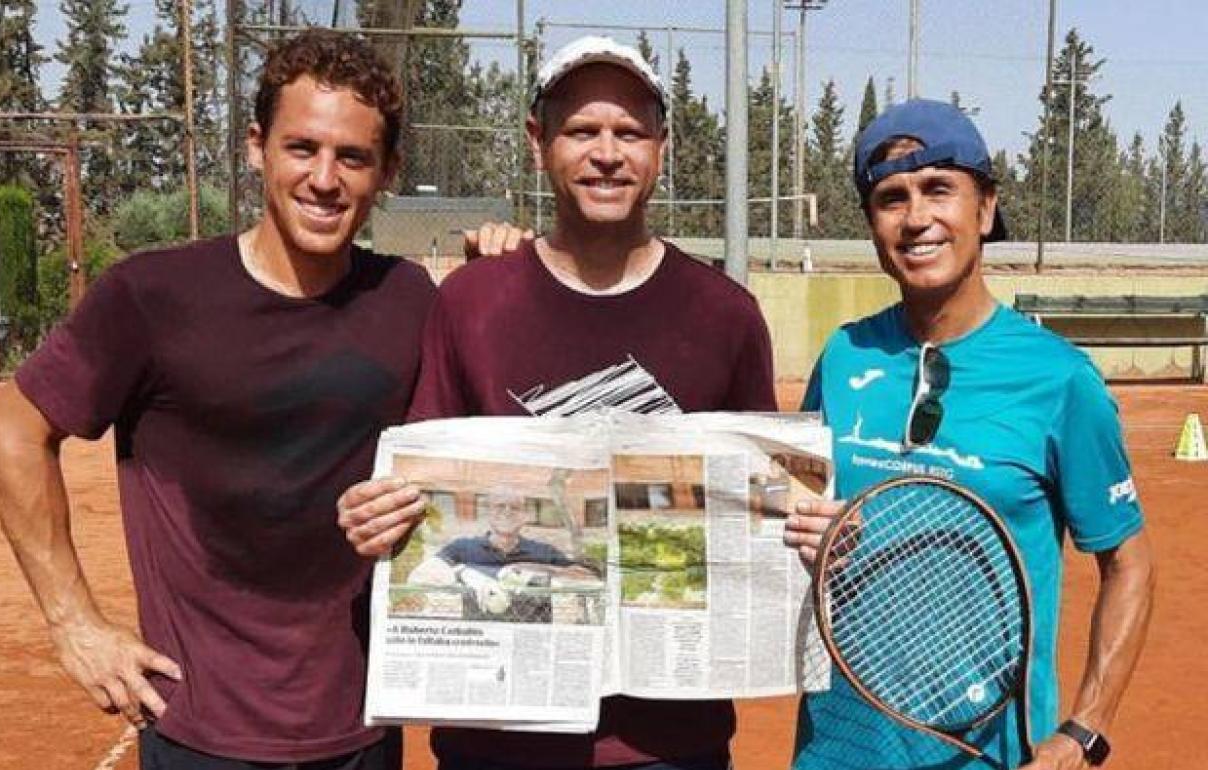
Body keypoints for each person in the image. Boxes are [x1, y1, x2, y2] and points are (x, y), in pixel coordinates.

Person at [0, 29, 446, 770]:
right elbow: (13, 427)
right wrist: (72, 622)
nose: (325, 178)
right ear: (258, 147)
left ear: (385, 170)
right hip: (198, 732)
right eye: (303, 148)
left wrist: (504, 266)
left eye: (353, 157)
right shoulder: (153, 295)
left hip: (362, 728)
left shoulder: (409, 299)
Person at [338, 35, 776, 770]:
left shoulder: (726, 313)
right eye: (582, 130)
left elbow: (761, 511)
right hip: (497, 737)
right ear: (540, 142)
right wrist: (380, 510)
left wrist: (801, 524)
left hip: (668, 747)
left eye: (629, 132)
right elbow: (423, 485)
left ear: (661, 147)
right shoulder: (470, 301)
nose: (607, 153)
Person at [783, 99, 1156, 770]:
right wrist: (812, 539)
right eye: (891, 198)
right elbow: (791, 520)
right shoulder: (842, 357)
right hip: (834, 750)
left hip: (988, 754)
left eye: (938, 190)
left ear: (984, 210)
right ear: (872, 224)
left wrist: (1084, 731)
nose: (917, 217)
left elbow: (1128, 563)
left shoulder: (1060, 380)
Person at [408, 489, 600, 623]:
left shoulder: (543, 552)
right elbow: (419, 577)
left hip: (531, 641)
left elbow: (590, 578)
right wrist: (464, 572)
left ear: (524, 515)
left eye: (514, 507)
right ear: (489, 513)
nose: (507, 512)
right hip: (480, 638)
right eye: (500, 506)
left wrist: (534, 568)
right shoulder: (463, 548)